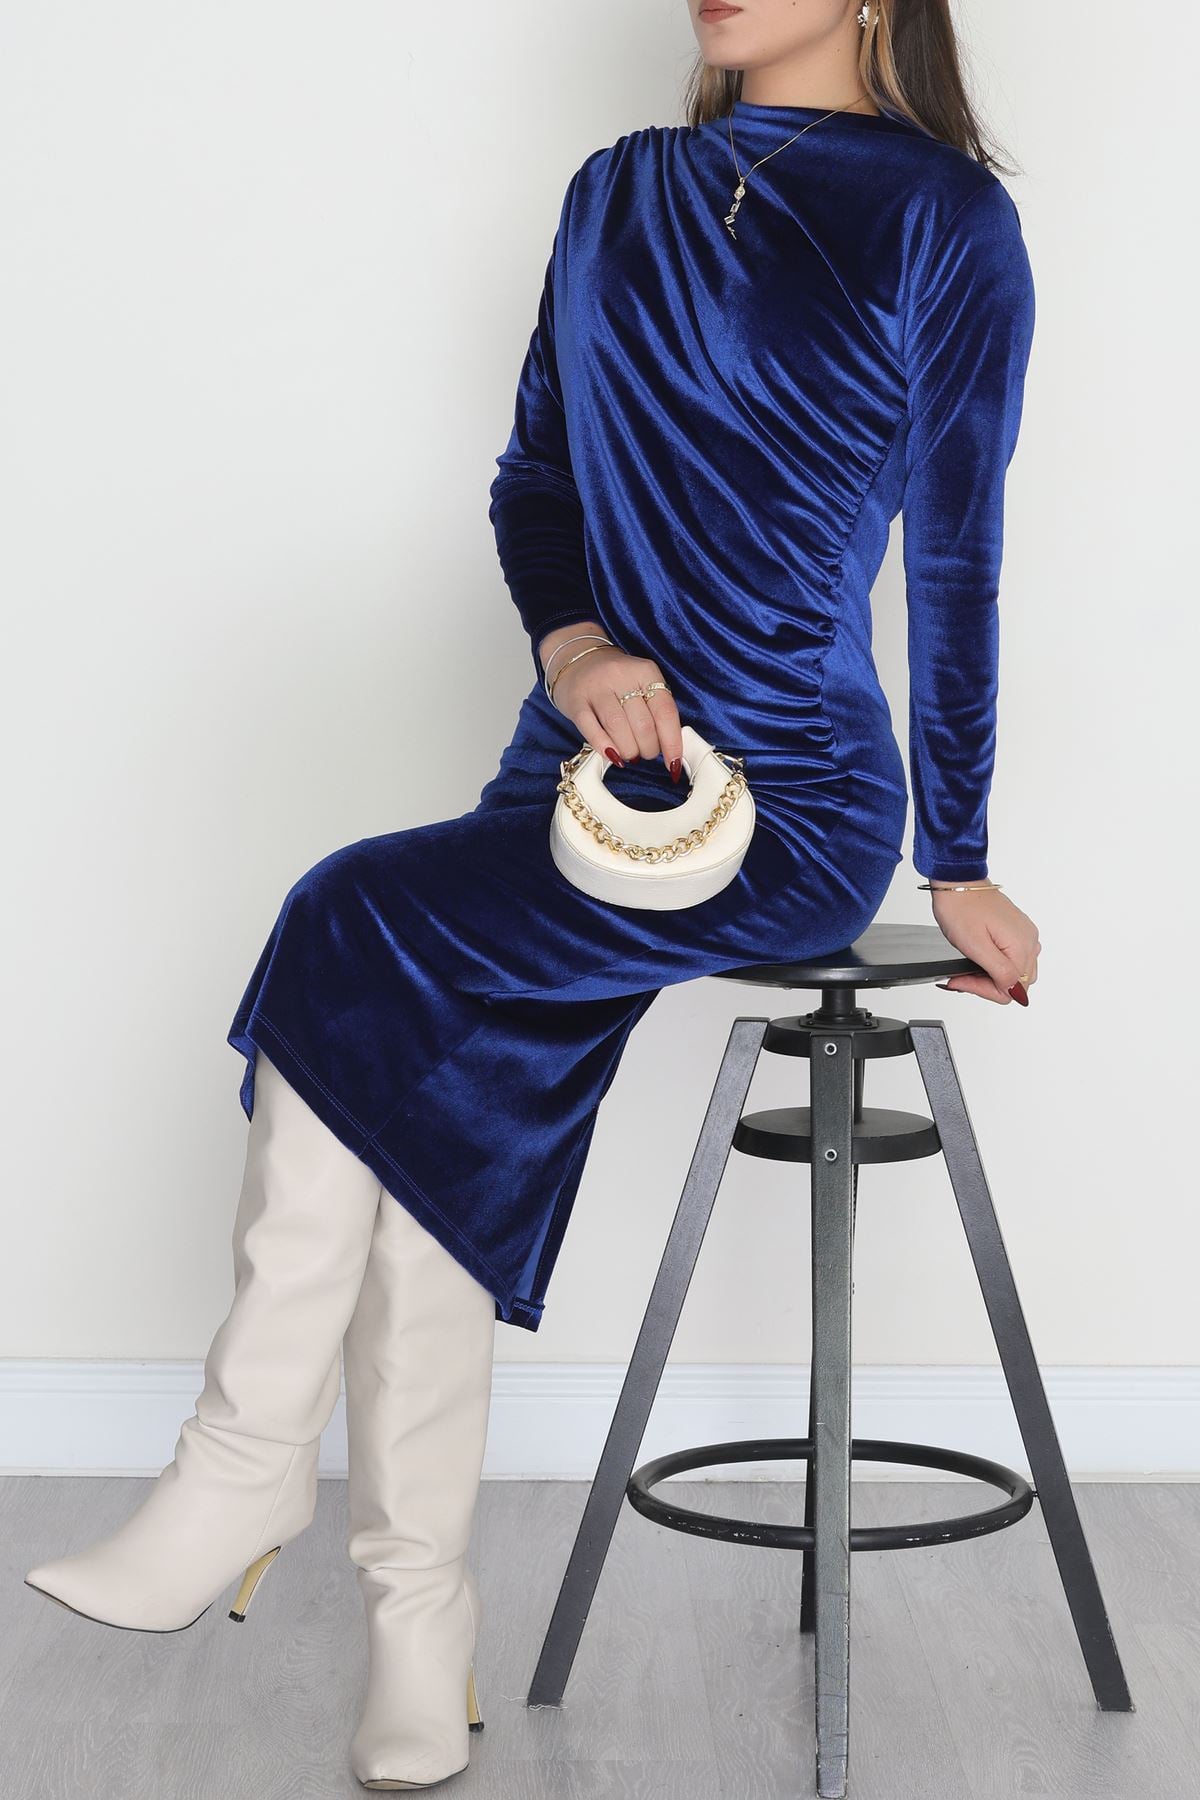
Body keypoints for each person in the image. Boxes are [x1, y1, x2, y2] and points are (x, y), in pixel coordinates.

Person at [23, 0, 1043, 1789]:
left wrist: (955, 854)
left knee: (347, 910)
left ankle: (243, 1464)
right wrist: (576, 648)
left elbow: (959, 557)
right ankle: (417, 1630)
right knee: (443, 1102)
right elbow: (537, 481)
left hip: (787, 804)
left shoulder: (947, 219)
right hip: (576, 776)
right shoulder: (614, 189)